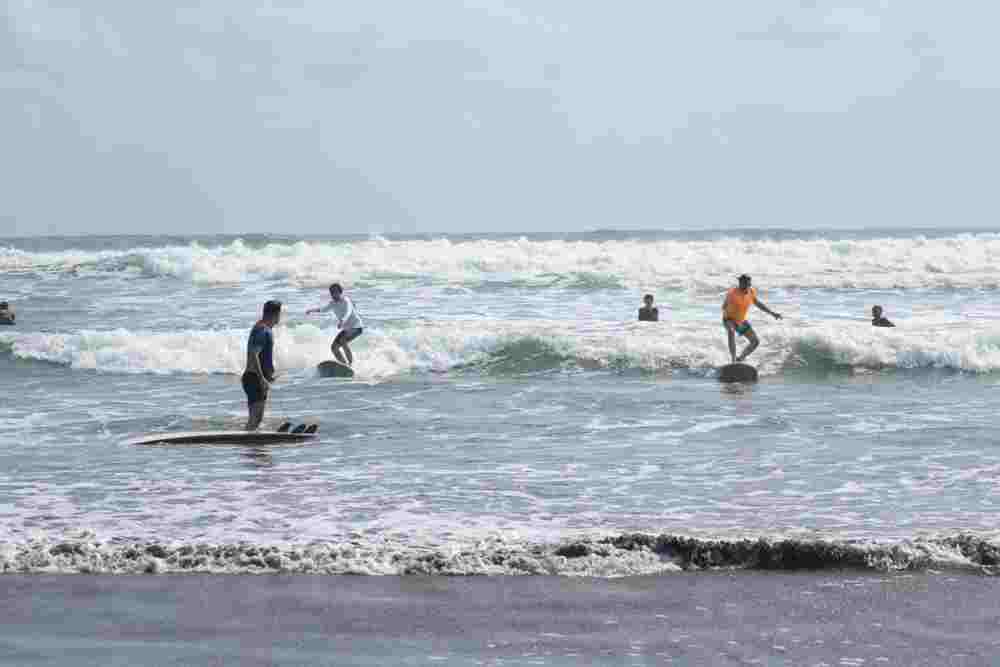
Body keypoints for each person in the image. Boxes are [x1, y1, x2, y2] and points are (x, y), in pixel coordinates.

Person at [721, 274, 782, 363]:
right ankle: (733, 360)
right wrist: (728, 312)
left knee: (755, 341)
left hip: (741, 321)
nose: (747, 286)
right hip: (729, 319)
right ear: (740, 283)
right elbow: (724, 306)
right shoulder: (732, 293)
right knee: (731, 331)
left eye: (748, 284)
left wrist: (772, 313)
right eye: (744, 284)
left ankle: (740, 359)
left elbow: (758, 304)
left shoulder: (751, 291)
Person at [243, 300, 281, 431]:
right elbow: (254, 354)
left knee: (256, 418)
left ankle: (249, 444)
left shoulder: (261, 327)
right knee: (256, 418)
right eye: (279, 314)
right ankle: (247, 441)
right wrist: (262, 378)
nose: (279, 318)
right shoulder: (263, 330)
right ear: (275, 314)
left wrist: (268, 375)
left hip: (254, 378)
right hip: (254, 379)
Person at [306, 283, 364, 367]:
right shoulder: (332, 303)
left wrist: (342, 321)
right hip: (347, 329)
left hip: (357, 327)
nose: (333, 294)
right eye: (332, 292)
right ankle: (344, 365)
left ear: (340, 292)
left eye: (335, 292)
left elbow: (348, 312)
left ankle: (351, 364)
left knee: (343, 340)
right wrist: (311, 310)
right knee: (334, 348)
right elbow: (323, 309)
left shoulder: (346, 301)